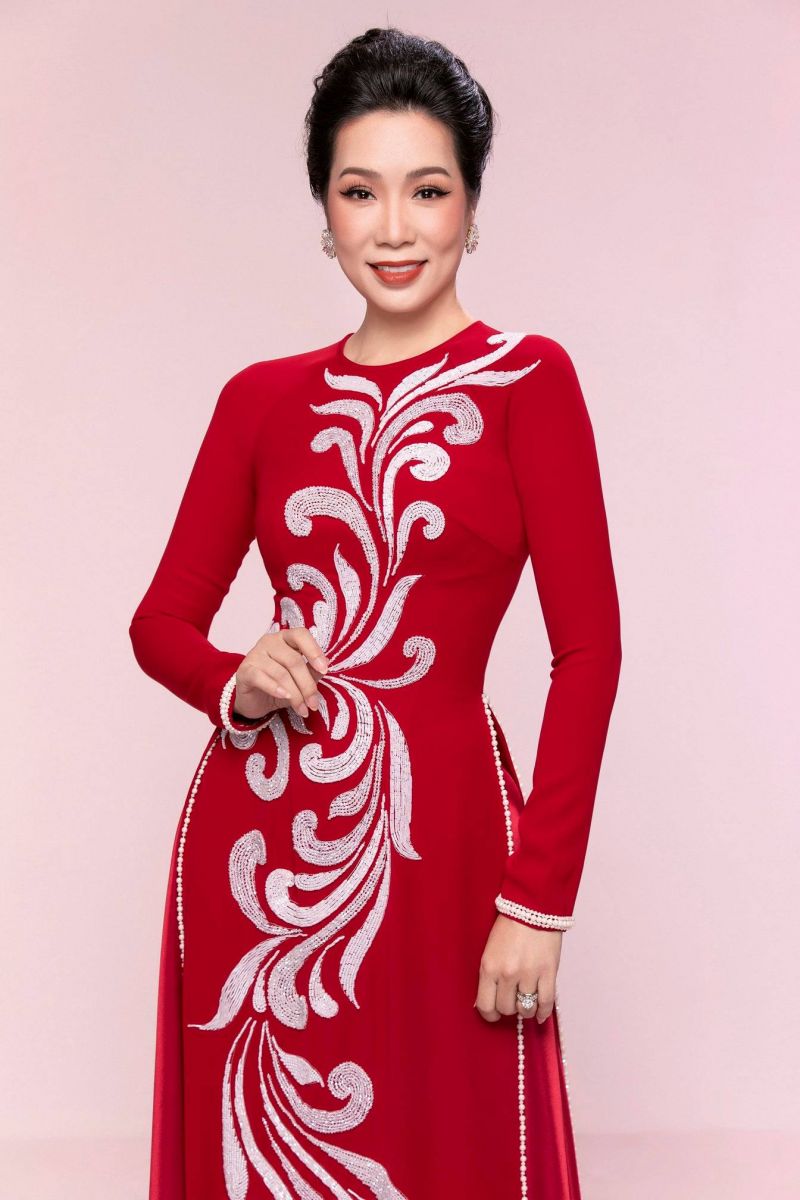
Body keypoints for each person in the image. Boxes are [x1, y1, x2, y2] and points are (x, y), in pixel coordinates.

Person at [129, 25, 622, 1200]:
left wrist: (539, 902)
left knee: (445, 1143)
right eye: (360, 192)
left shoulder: (529, 382)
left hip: (446, 844)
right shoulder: (258, 402)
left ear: (471, 206)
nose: (393, 228)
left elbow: (588, 651)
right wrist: (233, 678)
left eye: (426, 190)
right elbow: (159, 626)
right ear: (324, 210)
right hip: (257, 852)